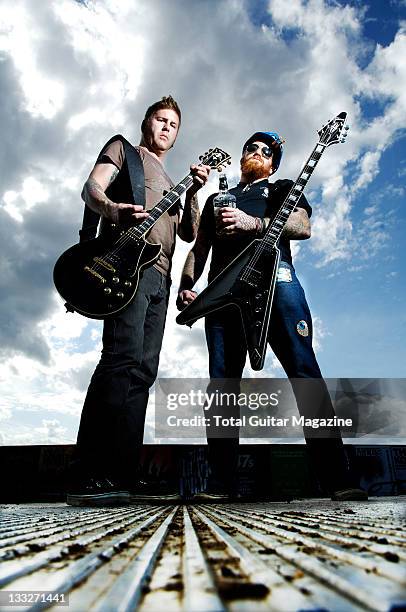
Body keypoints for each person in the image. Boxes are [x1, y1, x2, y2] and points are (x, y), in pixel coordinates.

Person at [177, 131, 367, 502]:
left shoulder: (281, 188)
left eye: (267, 151)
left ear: (273, 164)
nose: (258, 152)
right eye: (252, 146)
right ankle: (220, 485)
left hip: (277, 283)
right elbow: (199, 248)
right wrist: (187, 284)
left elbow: (302, 227)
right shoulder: (219, 198)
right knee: (222, 386)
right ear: (242, 154)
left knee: (305, 374)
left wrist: (255, 223)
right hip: (223, 296)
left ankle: (338, 478)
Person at [67, 96, 210, 506]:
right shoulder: (124, 151)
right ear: (147, 122)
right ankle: (87, 472)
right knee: (121, 358)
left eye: (173, 125)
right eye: (161, 119)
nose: (166, 127)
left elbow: (187, 233)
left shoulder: (171, 177)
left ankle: (119, 474)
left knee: (144, 371)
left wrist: (195, 192)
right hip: (128, 268)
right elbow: (91, 188)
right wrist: (113, 211)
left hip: (162, 277)